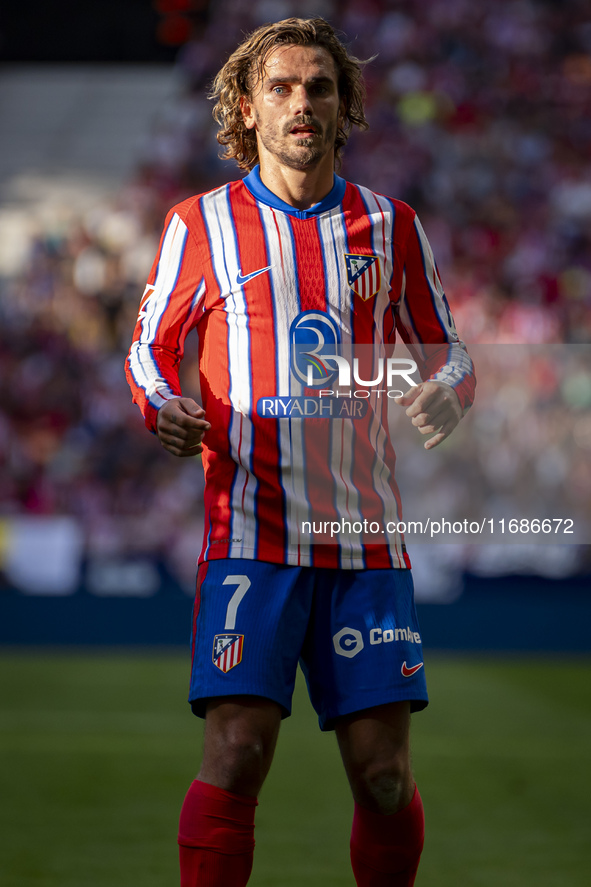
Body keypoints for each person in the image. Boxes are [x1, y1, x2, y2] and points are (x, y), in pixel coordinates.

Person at [126, 17, 475, 887]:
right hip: (250, 532)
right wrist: (163, 404)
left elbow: (449, 349)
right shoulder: (201, 224)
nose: (301, 103)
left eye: (319, 86)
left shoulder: (389, 225)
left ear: (343, 105)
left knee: (384, 776)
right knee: (239, 750)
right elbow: (145, 348)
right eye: (280, 87)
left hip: (364, 541)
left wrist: (449, 389)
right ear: (245, 108)